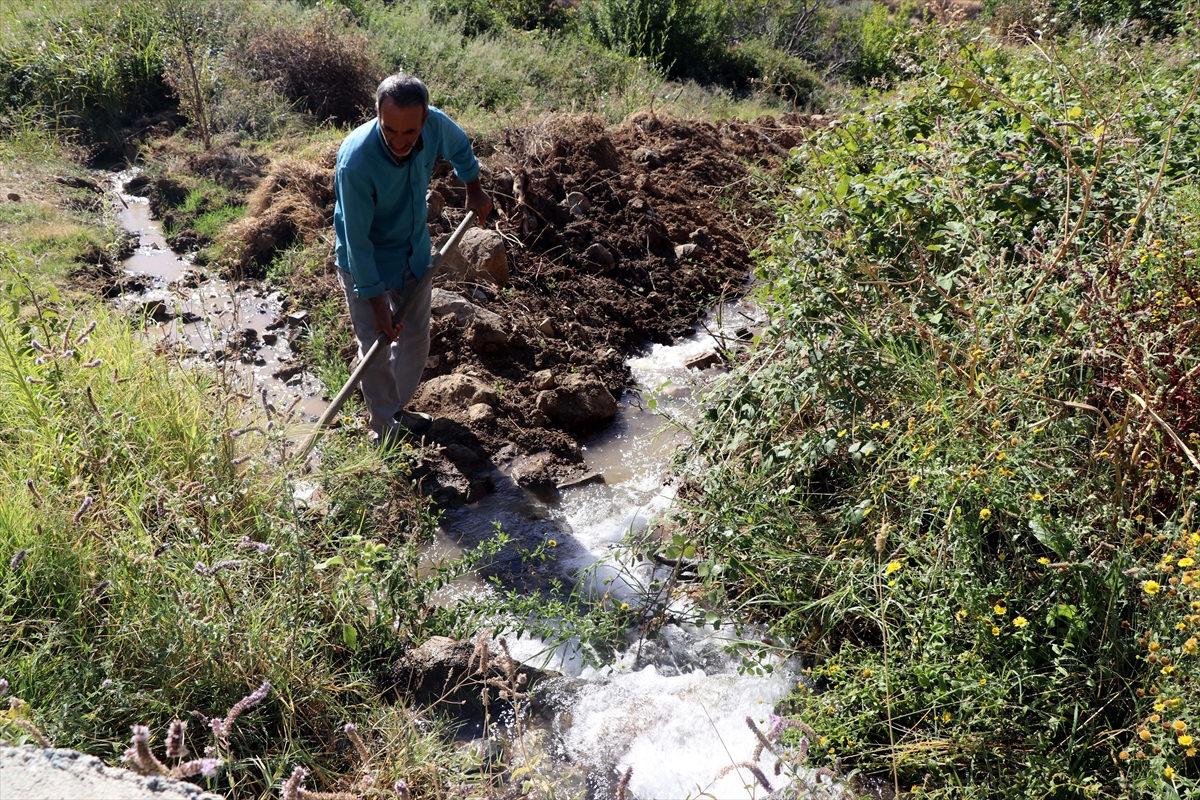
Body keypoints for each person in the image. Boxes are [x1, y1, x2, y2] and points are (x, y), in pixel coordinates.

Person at [333, 73, 493, 441]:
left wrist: (474, 189)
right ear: (377, 116)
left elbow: (460, 148)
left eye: (410, 133)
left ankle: (393, 410)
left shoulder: (435, 123)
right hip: (366, 260)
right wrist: (377, 306)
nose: (400, 142)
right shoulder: (355, 162)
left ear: (423, 120)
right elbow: (356, 241)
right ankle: (383, 426)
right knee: (375, 345)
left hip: (413, 249)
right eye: (390, 131)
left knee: (417, 337)